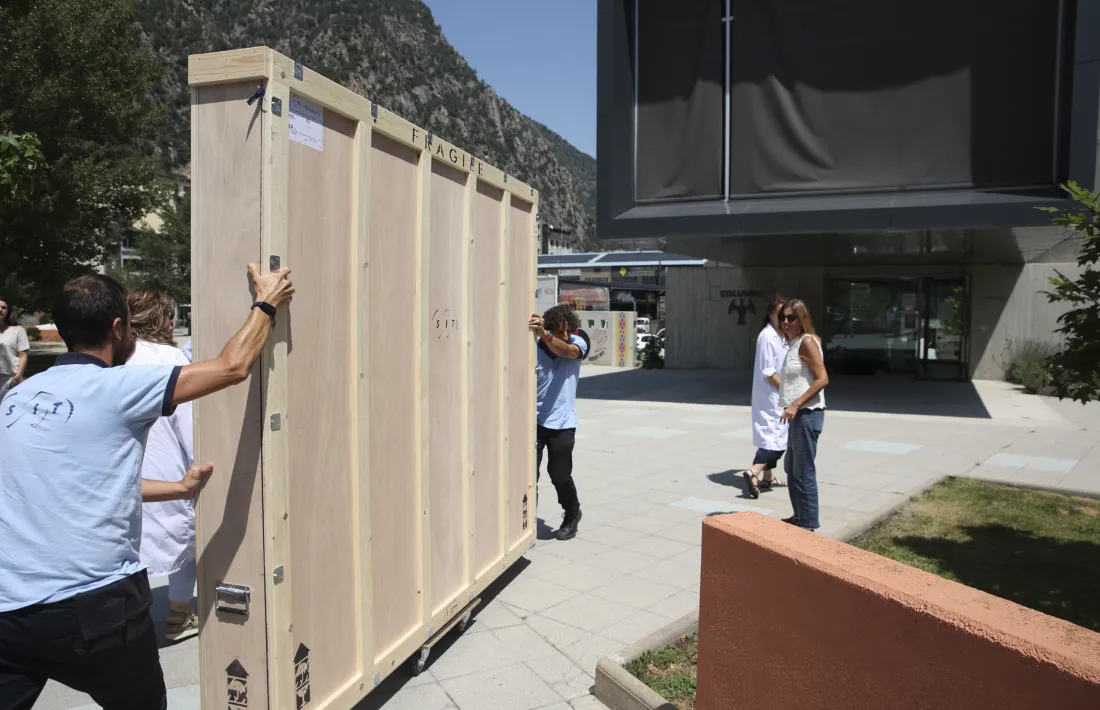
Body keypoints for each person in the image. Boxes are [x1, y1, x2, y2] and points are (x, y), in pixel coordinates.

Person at [0, 264, 294, 710]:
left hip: (10, 612)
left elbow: (82, 482)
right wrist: (266, 303)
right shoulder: (117, 386)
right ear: (118, 329)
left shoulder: (20, 398)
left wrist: (179, 488)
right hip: (94, 610)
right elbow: (233, 367)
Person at [126, 289, 199, 642]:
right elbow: (187, 422)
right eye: (169, 316)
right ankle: (178, 614)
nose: (173, 323)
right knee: (184, 544)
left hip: (124, 468)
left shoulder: (111, 357)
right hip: (167, 466)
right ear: (159, 318)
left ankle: (130, 618)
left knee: (130, 542)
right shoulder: (168, 357)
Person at [530, 305, 588, 541]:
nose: (567, 335)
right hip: (533, 422)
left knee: (559, 473)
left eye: (568, 330)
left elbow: (568, 351)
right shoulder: (533, 347)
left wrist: (546, 334)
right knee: (527, 474)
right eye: (560, 331)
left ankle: (572, 514)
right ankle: (525, 522)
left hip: (563, 423)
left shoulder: (579, 341)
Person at [778, 299, 829, 531]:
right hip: (797, 415)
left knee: (804, 470)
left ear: (802, 319)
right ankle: (799, 516)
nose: (785, 322)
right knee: (791, 468)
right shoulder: (793, 342)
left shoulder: (807, 341)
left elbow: (823, 379)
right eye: (783, 317)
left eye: (791, 317)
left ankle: (808, 525)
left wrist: (796, 404)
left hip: (807, 414)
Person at [743, 296, 789, 499]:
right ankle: (753, 471)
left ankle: (767, 477)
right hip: (772, 396)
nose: (784, 319)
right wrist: (788, 392)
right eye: (779, 314)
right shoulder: (768, 337)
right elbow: (769, 372)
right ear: (770, 314)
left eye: (786, 315)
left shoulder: (780, 335)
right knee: (776, 441)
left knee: (773, 435)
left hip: (775, 395)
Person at [0, 297, 30, 400]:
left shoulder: (18, 330)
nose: (0, 310)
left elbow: (23, 354)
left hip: (10, 379)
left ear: (8, 311)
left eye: (4, 307)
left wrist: (18, 376)